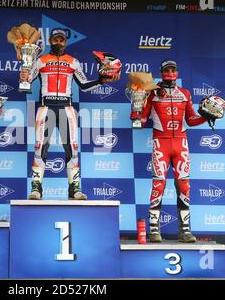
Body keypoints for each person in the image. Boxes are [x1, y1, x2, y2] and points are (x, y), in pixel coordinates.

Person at [20, 28, 120, 200]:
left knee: (72, 148)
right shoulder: (40, 60)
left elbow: (83, 85)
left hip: (67, 108)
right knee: (40, 147)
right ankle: (36, 188)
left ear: (65, 42)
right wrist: (23, 76)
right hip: (46, 108)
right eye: (55, 40)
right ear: (50, 41)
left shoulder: (73, 62)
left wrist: (101, 81)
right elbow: (27, 83)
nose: (58, 43)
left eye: (62, 40)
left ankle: (74, 188)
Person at [130, 60, 207, 243]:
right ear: (162, 72)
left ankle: (185, 231)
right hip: (160, 144)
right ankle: (154, 230)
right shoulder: (152, 93)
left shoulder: (185, 93)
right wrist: (135, 114)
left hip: (181, 145)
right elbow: (141, 122)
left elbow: (191, 119)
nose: (170, 73)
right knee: (158, 185)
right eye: (166, 70)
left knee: (184, 186)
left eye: (173, 69)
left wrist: (206, 116)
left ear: (177, 72)